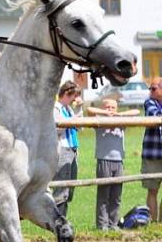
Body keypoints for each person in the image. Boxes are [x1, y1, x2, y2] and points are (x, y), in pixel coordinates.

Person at [88, 99, 139, 230]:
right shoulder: (98, 120)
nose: (110, 109)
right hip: (104, 159)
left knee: (116, 196)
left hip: (119, 161)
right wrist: (105, 113)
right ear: (103, 108)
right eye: (108, 107)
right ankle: (102, 226)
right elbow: (90, 110)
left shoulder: (121, 120)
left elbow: (137, 111)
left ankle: (113, 224)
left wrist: (118, 115)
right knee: (104, 195)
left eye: (113, 107)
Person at [52, 81, 82, 218]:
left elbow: (79, 127)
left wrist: (78, 111)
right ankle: (59, 220)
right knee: (61, 188)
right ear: (66, 94)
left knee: (70, 188)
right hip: (63, 149)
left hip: (73, 149)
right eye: (73, 96)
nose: (75, 99)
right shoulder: (56, 109)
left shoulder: (69, 109)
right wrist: (73, 120)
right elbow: (56, 129)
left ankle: (63, 218)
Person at [141, 78, 162, 221]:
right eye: (150, 89)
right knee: (152, 190)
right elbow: (155, 115)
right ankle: (154, 224)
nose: (150, 91)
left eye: (153, 89)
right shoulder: (149, 102)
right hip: (153, 154)